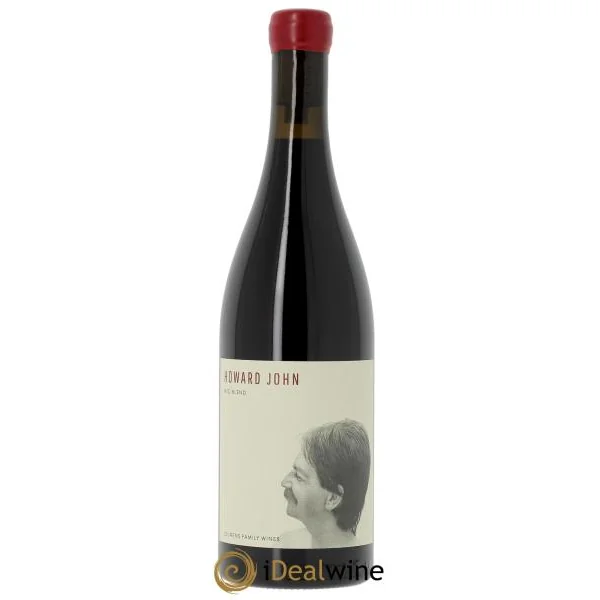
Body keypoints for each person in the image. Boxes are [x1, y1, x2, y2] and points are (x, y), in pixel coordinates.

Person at [280, 418, 370, 548]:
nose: (284, 482)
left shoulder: (354, 558)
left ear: (333, 498)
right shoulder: (287, 543)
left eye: (299, 477)